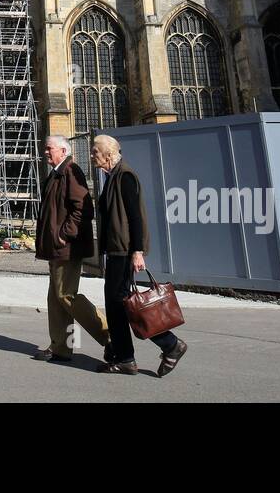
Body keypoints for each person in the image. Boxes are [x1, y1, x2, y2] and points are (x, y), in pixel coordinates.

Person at [91, 133, 188, 376]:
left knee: (126, 305)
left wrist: (138, 251)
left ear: (109, 154)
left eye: (95, 151)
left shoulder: (125, 176)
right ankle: (125, 357)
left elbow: (137, 216)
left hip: (125, 251)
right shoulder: (112, 176)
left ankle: (170, 345)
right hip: (117, 250)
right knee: (118, 306)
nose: (92, 155)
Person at [32, 135, 112, 363]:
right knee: (56, 300)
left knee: (66, 295)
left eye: (49, 148)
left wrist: (63, 234)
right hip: (57, 248)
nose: (45, 152)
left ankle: (109, 335)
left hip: (67, 247)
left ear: (63, 151)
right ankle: (62, 347)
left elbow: (83, 208)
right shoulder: (58, 172)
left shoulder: (70, 171)